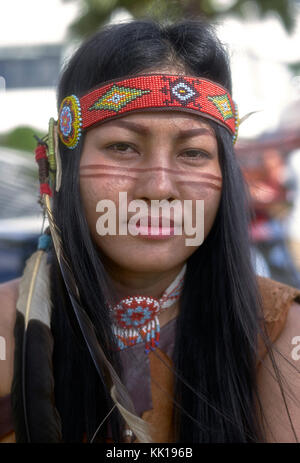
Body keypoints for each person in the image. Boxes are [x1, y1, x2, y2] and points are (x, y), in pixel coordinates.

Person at [0, 18, 300, 444]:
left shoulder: (283, 333)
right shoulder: (7, 326)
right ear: (62, 167)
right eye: (122, 147)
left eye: (194, 153)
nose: (159, 187)